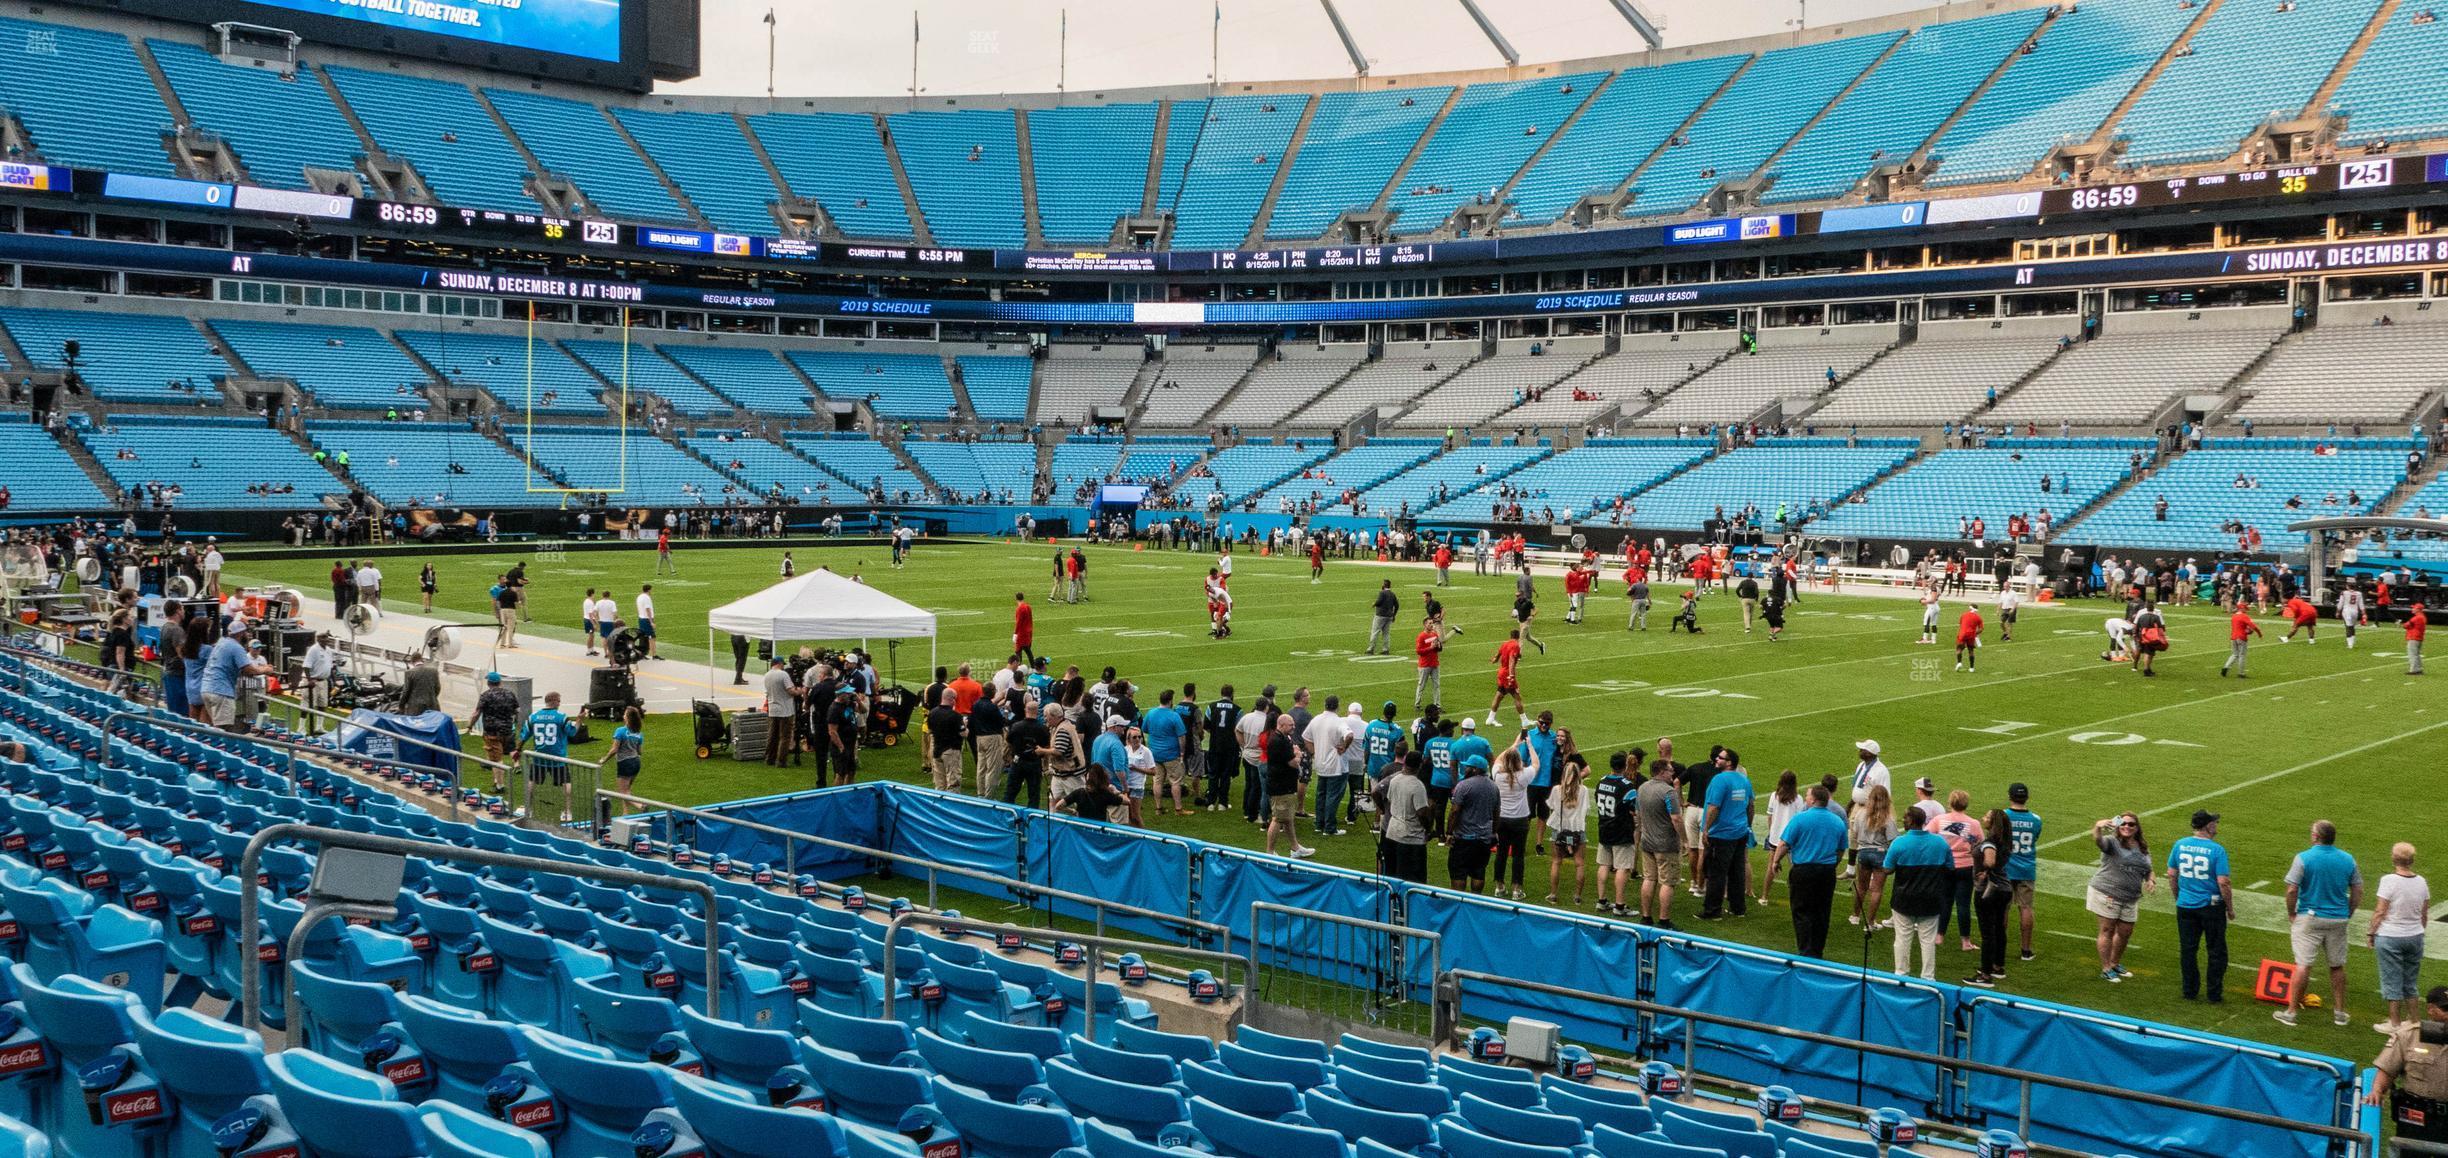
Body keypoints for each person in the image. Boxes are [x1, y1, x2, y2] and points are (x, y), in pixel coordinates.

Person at [2280, 819, 2364, 1027]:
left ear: (2316, 836)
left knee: (2303, 965)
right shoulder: (2348, 859)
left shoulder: (2304, 858)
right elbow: (2358, 889)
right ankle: (2340, 1013)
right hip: (2338, 918)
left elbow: (2292, 890)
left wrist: (2291, 913)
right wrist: (2348, 911)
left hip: (2310, 917)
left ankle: (2291, 1013)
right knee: (2337, 966)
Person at [2168, 809, 2235, 1004]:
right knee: (2216, 951)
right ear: (2207, 825)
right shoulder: (2216, 850)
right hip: (2211, 906)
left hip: (2185, 905)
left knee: (2188, 949)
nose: (2216, 825)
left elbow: (2172, 874)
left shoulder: (2180, 844)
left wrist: (2178, 897)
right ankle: (2214, 993)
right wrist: (2229, 908)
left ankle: (2189, 990)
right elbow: (2223, 882)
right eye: (2214, 822)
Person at [2366, 987, 2448, 1145]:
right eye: (2446, 1009)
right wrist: (2377, 1090)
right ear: (2430, 1009)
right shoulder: (2410, 1035)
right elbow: (2387, 1069)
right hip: (2416, 1116)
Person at [2087, 812, 2153, 983]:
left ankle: (2115, 963)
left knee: (2125, 931)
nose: (2126, 827)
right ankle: (2106, 968)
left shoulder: (2142, 846)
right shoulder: (2112, 842)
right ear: (2117, 825)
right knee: (2107, 929)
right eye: (2123, 823)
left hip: (2130, 896)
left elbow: (2147, 867)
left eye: (2131, 824)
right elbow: (2098, 841)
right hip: (2107, 891)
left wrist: (2150, 879)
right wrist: (2097, 827)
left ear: (2137, 828)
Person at [2373, 843, 2431, 1033]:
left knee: (2391, 980)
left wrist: (2371, 932)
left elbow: (2381, 910)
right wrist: (2418, 929)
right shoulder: (2421, 881)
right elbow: (2424, 913)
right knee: (2410, 981)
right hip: (2414, 935)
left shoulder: (2389, 880)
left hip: (2391, 935)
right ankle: (2414, 1021)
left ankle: (2394, 1023)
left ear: (2394, 858)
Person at [1886, 818, 1953, 981]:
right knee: (1928, 941)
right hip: (1931, 899)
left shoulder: (1899, 842)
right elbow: (1950, 867)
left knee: (1902, 938)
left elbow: (1887, 869)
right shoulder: (1940, 842)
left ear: (1908, 823)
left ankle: (1901, 974)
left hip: (1904, 899)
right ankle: (1928, 977)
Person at [1699, 747, 1753, 919]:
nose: (1716, 759)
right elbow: (1751, 805)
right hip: (1740, 831)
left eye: (1720, 758)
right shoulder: (1744, 780)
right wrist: (1747, 825)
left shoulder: (1719, 780)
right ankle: (1738, 908)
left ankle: (1712, 910)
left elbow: (1714, 807)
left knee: (1716, 874)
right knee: (1737, 872)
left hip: (1721, 834)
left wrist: (1706, 828)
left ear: (1729, 762)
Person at [1962, 810, 2013, 987]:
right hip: (2004, 888)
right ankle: (1997, 966)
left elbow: (1990, 861)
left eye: (1986, 817)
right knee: (1999, 929)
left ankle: (1985, 976)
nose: (1983, 818)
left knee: (1987, 933)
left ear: (1993, 823)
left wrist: (1984, 870)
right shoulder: (2005, 841)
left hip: (1988, 890)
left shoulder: (1990, 842)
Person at [1488, 740, 1540, 900]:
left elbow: (1497, 760)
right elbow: (1536, 764)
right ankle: (1517, 889)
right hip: (1519, 820)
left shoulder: (1497, 774)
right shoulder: (1523, 776)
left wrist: (1515, 744)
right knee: (1518, 855)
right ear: (1518, 761)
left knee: (1502, 853)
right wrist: (1529, 745)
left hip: (1502, 819)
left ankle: (1499, 886)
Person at [1636, 758, 1681, 929]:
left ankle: (1646, 917)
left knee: (1649, 878)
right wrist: (1683, 839)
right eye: (1670, 770)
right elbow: (1676, 818)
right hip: (1665, 844)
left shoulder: (1642, 788)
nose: (1673, 773)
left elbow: (1638, 814)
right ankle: (1664, 920)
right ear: (1661, 772)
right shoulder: (1668, 792)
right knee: (1667, 882)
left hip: (1647, 841)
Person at [1594, 751, 1640, 916]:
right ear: (1625, 765)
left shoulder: (1601, 782)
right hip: (1621, 830)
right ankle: (1619, 906)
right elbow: (1633, 809)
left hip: (1604, 827)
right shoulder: (1627, 785)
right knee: (1623, 867)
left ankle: (1602, 900)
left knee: (1604, 864)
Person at [1377, 751, 1433, 884]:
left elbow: (1389, 801)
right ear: (1419, 765)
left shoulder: (1395, 779)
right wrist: (1428, 829)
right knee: (1412, 880)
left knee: (1391, 875)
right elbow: (1422, 813)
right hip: (1411, 837)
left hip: (1392, 831)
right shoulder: (1417, 785)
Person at [1263, 713, 1313, 859]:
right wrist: (1298, 754)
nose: (1294, 727)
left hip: (1284, 785)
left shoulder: (1281, 738)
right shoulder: (1278, 741)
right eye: (1291, 725)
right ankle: (1270, 853)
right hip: (1281, 786)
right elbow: (1293, 762)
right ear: (1281, 725)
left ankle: (1295, 847)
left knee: (1288, 818)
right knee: (1278, 819)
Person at [2003, 783, 2043, 962]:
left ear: (2010, 796)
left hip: (2005, 868)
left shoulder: (2003, 816)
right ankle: (2026, 950)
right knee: (2026, 908)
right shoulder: (2036, 819)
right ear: (2027, 798)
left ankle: (1999, 946)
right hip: (2026, 867)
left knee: (2002, 908)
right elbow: (2035, 837)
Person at [1848, 785, 1897, 928]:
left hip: (1863, 852)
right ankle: (1870, 923)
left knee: (1861, 887)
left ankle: (1855, 916)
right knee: (1876, 890)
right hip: (1880, 853)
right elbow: (1892, 840)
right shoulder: (1887, 818)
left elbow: (1855, 833)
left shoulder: (1860, 814)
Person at [1448, 755, 1498, 893]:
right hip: (1484, 838)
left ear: (1475, 769)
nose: (1465, 768)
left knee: (1458, 872)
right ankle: (1476, 898)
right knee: (1478, 872)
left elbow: (1454, 811)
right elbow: (1497, 812)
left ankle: (1458, 901)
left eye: (1468, 766)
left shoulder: (1463, 785)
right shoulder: (1494, 787)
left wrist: (1448, 832)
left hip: (1464, 838)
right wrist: (1493, 832)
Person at [1544, 752, 1589, 904]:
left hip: (1559, 829)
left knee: (1556, 862)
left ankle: (1553, 894)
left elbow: (1551, 806)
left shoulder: (1557, 789)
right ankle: (1577, 897)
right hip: (1578, 829)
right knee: (1580, 863)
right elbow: (1586, 810)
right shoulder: (1584, 790)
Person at [522, 691, 573, 819]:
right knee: (566, 782)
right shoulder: (561, 717)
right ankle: (567, 811)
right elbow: (572, 733)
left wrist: (518, 748)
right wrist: (579, 720)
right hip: (558, 757)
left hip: (539, 757)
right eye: (559, 700)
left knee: (531, 781)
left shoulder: (533, 716)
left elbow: (524, 735)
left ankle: (528, 809)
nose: (560, 703)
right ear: (554, 701)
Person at [468, 672, 521, 793]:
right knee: (503, 754)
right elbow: (517, 710)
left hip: (492, 733)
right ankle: (501, 778)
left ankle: (500, 785)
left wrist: (470, 725)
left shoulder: (485, 695)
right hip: (508, 731)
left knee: (496, 760)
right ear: (500, 682)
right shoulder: (510, 694)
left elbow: (477, 713)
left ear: (488, 683)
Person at [1755, 770, 1801, 904]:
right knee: (1795, 867)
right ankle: (1796, 897)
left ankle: (1764, 896)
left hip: (1776, 838)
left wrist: (1772, 831)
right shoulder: (1798, 799)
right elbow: (1798, 820)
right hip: (1791, 838)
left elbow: (1770, 816)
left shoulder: (1774, 796)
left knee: (1771, 866)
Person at [1146, 688, 1190, 817]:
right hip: (1171, 754)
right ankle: (1178, 809)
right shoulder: (1174, 715)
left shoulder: (1151, 713)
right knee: (1175, 781)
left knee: (1157, 781)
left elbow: (1146, 729)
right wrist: (1182, 752)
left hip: (1155, 753)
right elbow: (1182, 737)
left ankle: (1158, 808)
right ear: (1170, 701)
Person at [1003, 702, 1052, 810]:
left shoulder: (1016, 726)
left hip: (1018, 762)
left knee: (1010, 792)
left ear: (1026, 710)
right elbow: (1046, 748)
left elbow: (1008, 742)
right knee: (1034, 795)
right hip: (1034, 763)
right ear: (1037, 711)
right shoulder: (1043, 729)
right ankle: (1031, 820)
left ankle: (1005, 816)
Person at [1059, 764, 1130, 824]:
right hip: (1098, 830)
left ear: (1087, 777)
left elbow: (1058, 806)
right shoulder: (1106, 795)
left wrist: (1073, 811)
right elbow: (1127, 801)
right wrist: (1116, 791)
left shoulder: (1079, 792)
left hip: (1081, 830)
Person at [764, 659, 801, 767]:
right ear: (779, 664)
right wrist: (800, 691)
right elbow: (790, 691)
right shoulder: (783, 675)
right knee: (785, 736)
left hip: (772, 709)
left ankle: (769, 758)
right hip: (785, 710)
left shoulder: (767, 675)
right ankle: (781, 761)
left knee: (772, 735)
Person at [926, 689, 965, 792]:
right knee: (953, 784)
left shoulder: (932, 713)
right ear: (952, 699)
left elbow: (930, 731)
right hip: (951, 751)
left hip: (937, 750)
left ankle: (939, 806)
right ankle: (950, 806)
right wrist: (965, 725)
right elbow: (963, 733)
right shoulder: (955, 716)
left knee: (939, 785)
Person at [1487, 630, 1527, 729]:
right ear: (1518, 637)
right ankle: (1524, 721)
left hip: (1501, 673)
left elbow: (1497, 656)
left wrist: (1493, 660)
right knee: (1517, 696)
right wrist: (1511, 676)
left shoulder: (1505, 644)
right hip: (1507, 674)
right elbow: (1512, 661)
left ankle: (1490, 718)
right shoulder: (1515, 646)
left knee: (1499, 695)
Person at [609, 707, 645, 813]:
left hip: (625, 763)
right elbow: (640, 752)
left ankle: (640, 806)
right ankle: (625, 813)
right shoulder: (639, 733)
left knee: (622, 792)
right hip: (636, 763)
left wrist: (603, 760)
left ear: (628, 718)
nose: (623, 716)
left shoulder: (620, 731)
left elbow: (614, 750)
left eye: (625, 714)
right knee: (627, 789)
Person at [2222, 603, 2262, 677]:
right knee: (2242, 655)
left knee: (2234, 654)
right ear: (2242, 608)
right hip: (2242, 637)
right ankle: (2241, 673)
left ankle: (2226, 667)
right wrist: (2259, 633)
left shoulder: (2234, 616)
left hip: (2233, 637)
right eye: (2245, 609)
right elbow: (2253, 626)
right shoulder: (2244, 616)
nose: (2246, 611)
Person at [1414, 616, 1445, 709]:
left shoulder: (1435, 634)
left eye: (1432, 623)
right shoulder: (1421, 636)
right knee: (1421, 685)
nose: (1431, 625)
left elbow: (1439, 649)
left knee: (1437, 685)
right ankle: (1417, 704)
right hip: (1424, 665)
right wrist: (1430, 648)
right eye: (1429, 623)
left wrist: (1438, 646)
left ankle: (1437, 705)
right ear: (1425, 625)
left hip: (1435, 663)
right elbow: (1418, 651)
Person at [1366, 581, 1399, 655]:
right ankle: (1385, 649)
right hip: (1389, 616)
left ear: (1384, 585)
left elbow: (1379, 601)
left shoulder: (1382, 592)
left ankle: (1371, 648)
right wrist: (1394, 615)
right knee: (1386, 634)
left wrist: (1374, 604)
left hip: (1380, 615)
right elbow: (1397, 605)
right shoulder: (1392, 594)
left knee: (1375, 632)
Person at [1954, 604, 1984, 672]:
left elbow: (1960, 625)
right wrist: (1975, 633)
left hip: (1962, 634)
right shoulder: (1978, 617)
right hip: (1971, 635)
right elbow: (1981, 629)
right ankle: (1971, 668)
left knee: (1959, 649)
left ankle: (1959, 662)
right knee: (1971, 650)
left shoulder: (1963, 615)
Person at [1012, 593, 1036, 663]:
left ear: (1016, 599)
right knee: (1027, 649)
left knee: (1018, 651)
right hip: (1028, 632)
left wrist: (1015, 633)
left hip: (1021, 633)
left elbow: (1018, 622)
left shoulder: (1019, 608)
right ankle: (1033, 666)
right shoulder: (1028, 606)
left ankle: (1019, 667)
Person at [2409, 602, 2428, 675]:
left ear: (2418, 609)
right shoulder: (2422, 617)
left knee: (2413, 654)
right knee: (2416, 654)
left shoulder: (2417, 617)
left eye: (2414, 608)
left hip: (2414, 637)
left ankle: (2414, 670)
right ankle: (2418, 669)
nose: (2412, 609)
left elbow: (2406, 625)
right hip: (2418, 637)